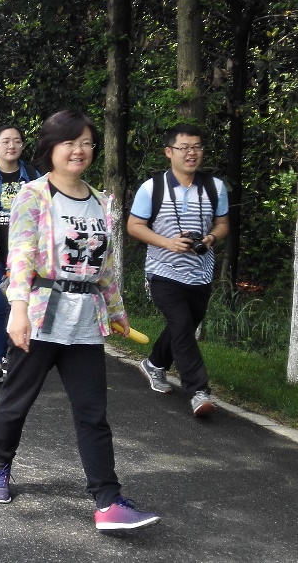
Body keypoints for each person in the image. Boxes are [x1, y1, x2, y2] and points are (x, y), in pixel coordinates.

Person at [0, 110, 160, 532]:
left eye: (86, 143)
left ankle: (107, 500)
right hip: (40, 316)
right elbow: (20, 255)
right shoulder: (34, 194)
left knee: (92, 413)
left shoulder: (101, 201)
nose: (79, 150)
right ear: (51, 148)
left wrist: (116, 311)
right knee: (17, 402)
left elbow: (106, 265)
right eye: (70, 142)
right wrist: (18, 310)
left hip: (85, 321)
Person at [127, 123, 229, 417]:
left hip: (200, 274)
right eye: (184, 148)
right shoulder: (152, 188)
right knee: (183, 325)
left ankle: (155, 363)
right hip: (163, 272)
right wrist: (168, 243)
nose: (191, 153)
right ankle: (198, 391)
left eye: (196, 147)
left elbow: (223, 224)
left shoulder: (215, 187)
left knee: (181, 326)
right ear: (169, 152)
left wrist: (211, 238)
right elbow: (134, 226)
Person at [0, 124, 41, 384]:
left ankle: (10, 358)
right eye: (5, 141)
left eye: (17, 141)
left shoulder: (34, 176)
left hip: (23, 256)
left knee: (20, 306)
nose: (11, 146)